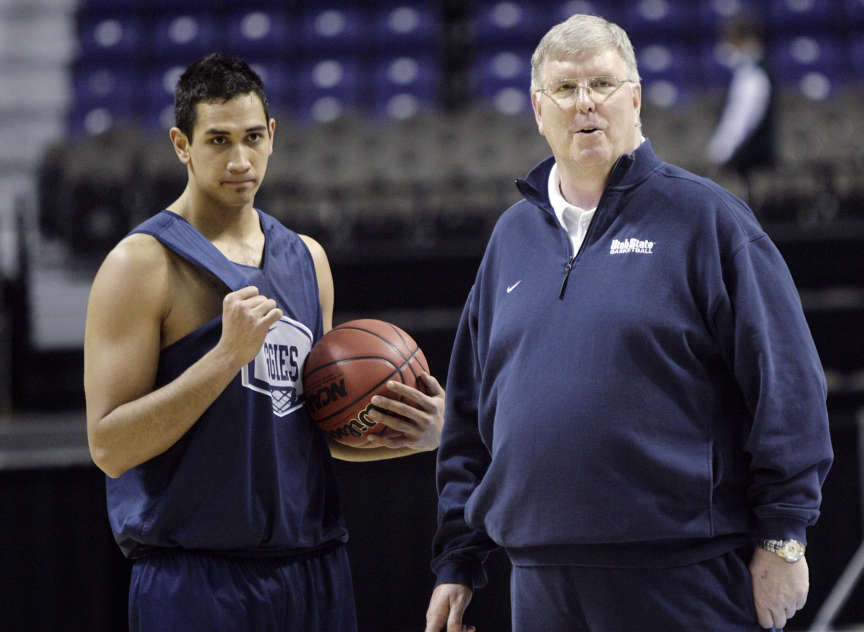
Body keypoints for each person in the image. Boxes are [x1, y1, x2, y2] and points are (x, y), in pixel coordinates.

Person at [424, 14, 832, 632]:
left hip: (684, 578)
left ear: (635, 98)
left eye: (602, 84)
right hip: (538, 581)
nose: (585, 103)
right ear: (539, 109)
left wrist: (784, 538)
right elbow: (470, 416)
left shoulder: (709, 220)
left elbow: (788, 389)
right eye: (565, 89)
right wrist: (458, 557)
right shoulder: (510, 238)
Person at [83, 53, 445, 632]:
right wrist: (226, 356)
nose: (240, 160)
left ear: (272, 135)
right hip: (196, 581)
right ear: (182, 144)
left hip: (314, 570)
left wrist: (419, 437)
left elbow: (313, 429)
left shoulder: (308, 259)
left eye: (253, 137)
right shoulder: (140, 264)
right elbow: (110, 447)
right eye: (218, 141)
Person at [705, 13, 776, 203]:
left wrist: (721, 150)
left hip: (752, 161)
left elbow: (742, 120)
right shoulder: (744, 72)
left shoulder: (754, 76)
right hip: (745, 159)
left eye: (730, 41)